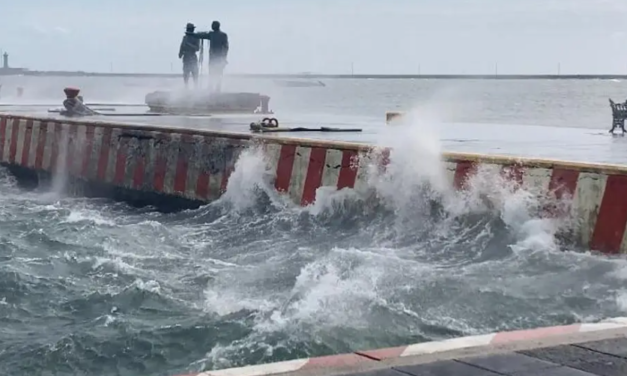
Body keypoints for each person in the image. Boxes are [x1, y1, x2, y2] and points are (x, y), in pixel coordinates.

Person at [186, 21, 229, 93]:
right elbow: (202, 35)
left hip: (219, 57)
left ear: (216, 26)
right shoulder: (214, 34)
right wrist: (192, 34)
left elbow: (226, 47)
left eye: (213, 25)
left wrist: (224, 57)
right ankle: (213, 88)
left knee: (217, 73)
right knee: (213, 73)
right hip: (215, 57)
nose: (212, 26)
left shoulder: (219, 35)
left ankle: (216, 88)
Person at [179, 23, 201, 88]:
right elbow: (182, 46)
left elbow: (197, 48)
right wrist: (180, 53)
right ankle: (186, 87)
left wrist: (189, 45)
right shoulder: (185, 37)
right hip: (186, 57)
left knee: (195, 73)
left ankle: (196, 87)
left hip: (193, 56)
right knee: (186, 73)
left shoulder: (196, 37)